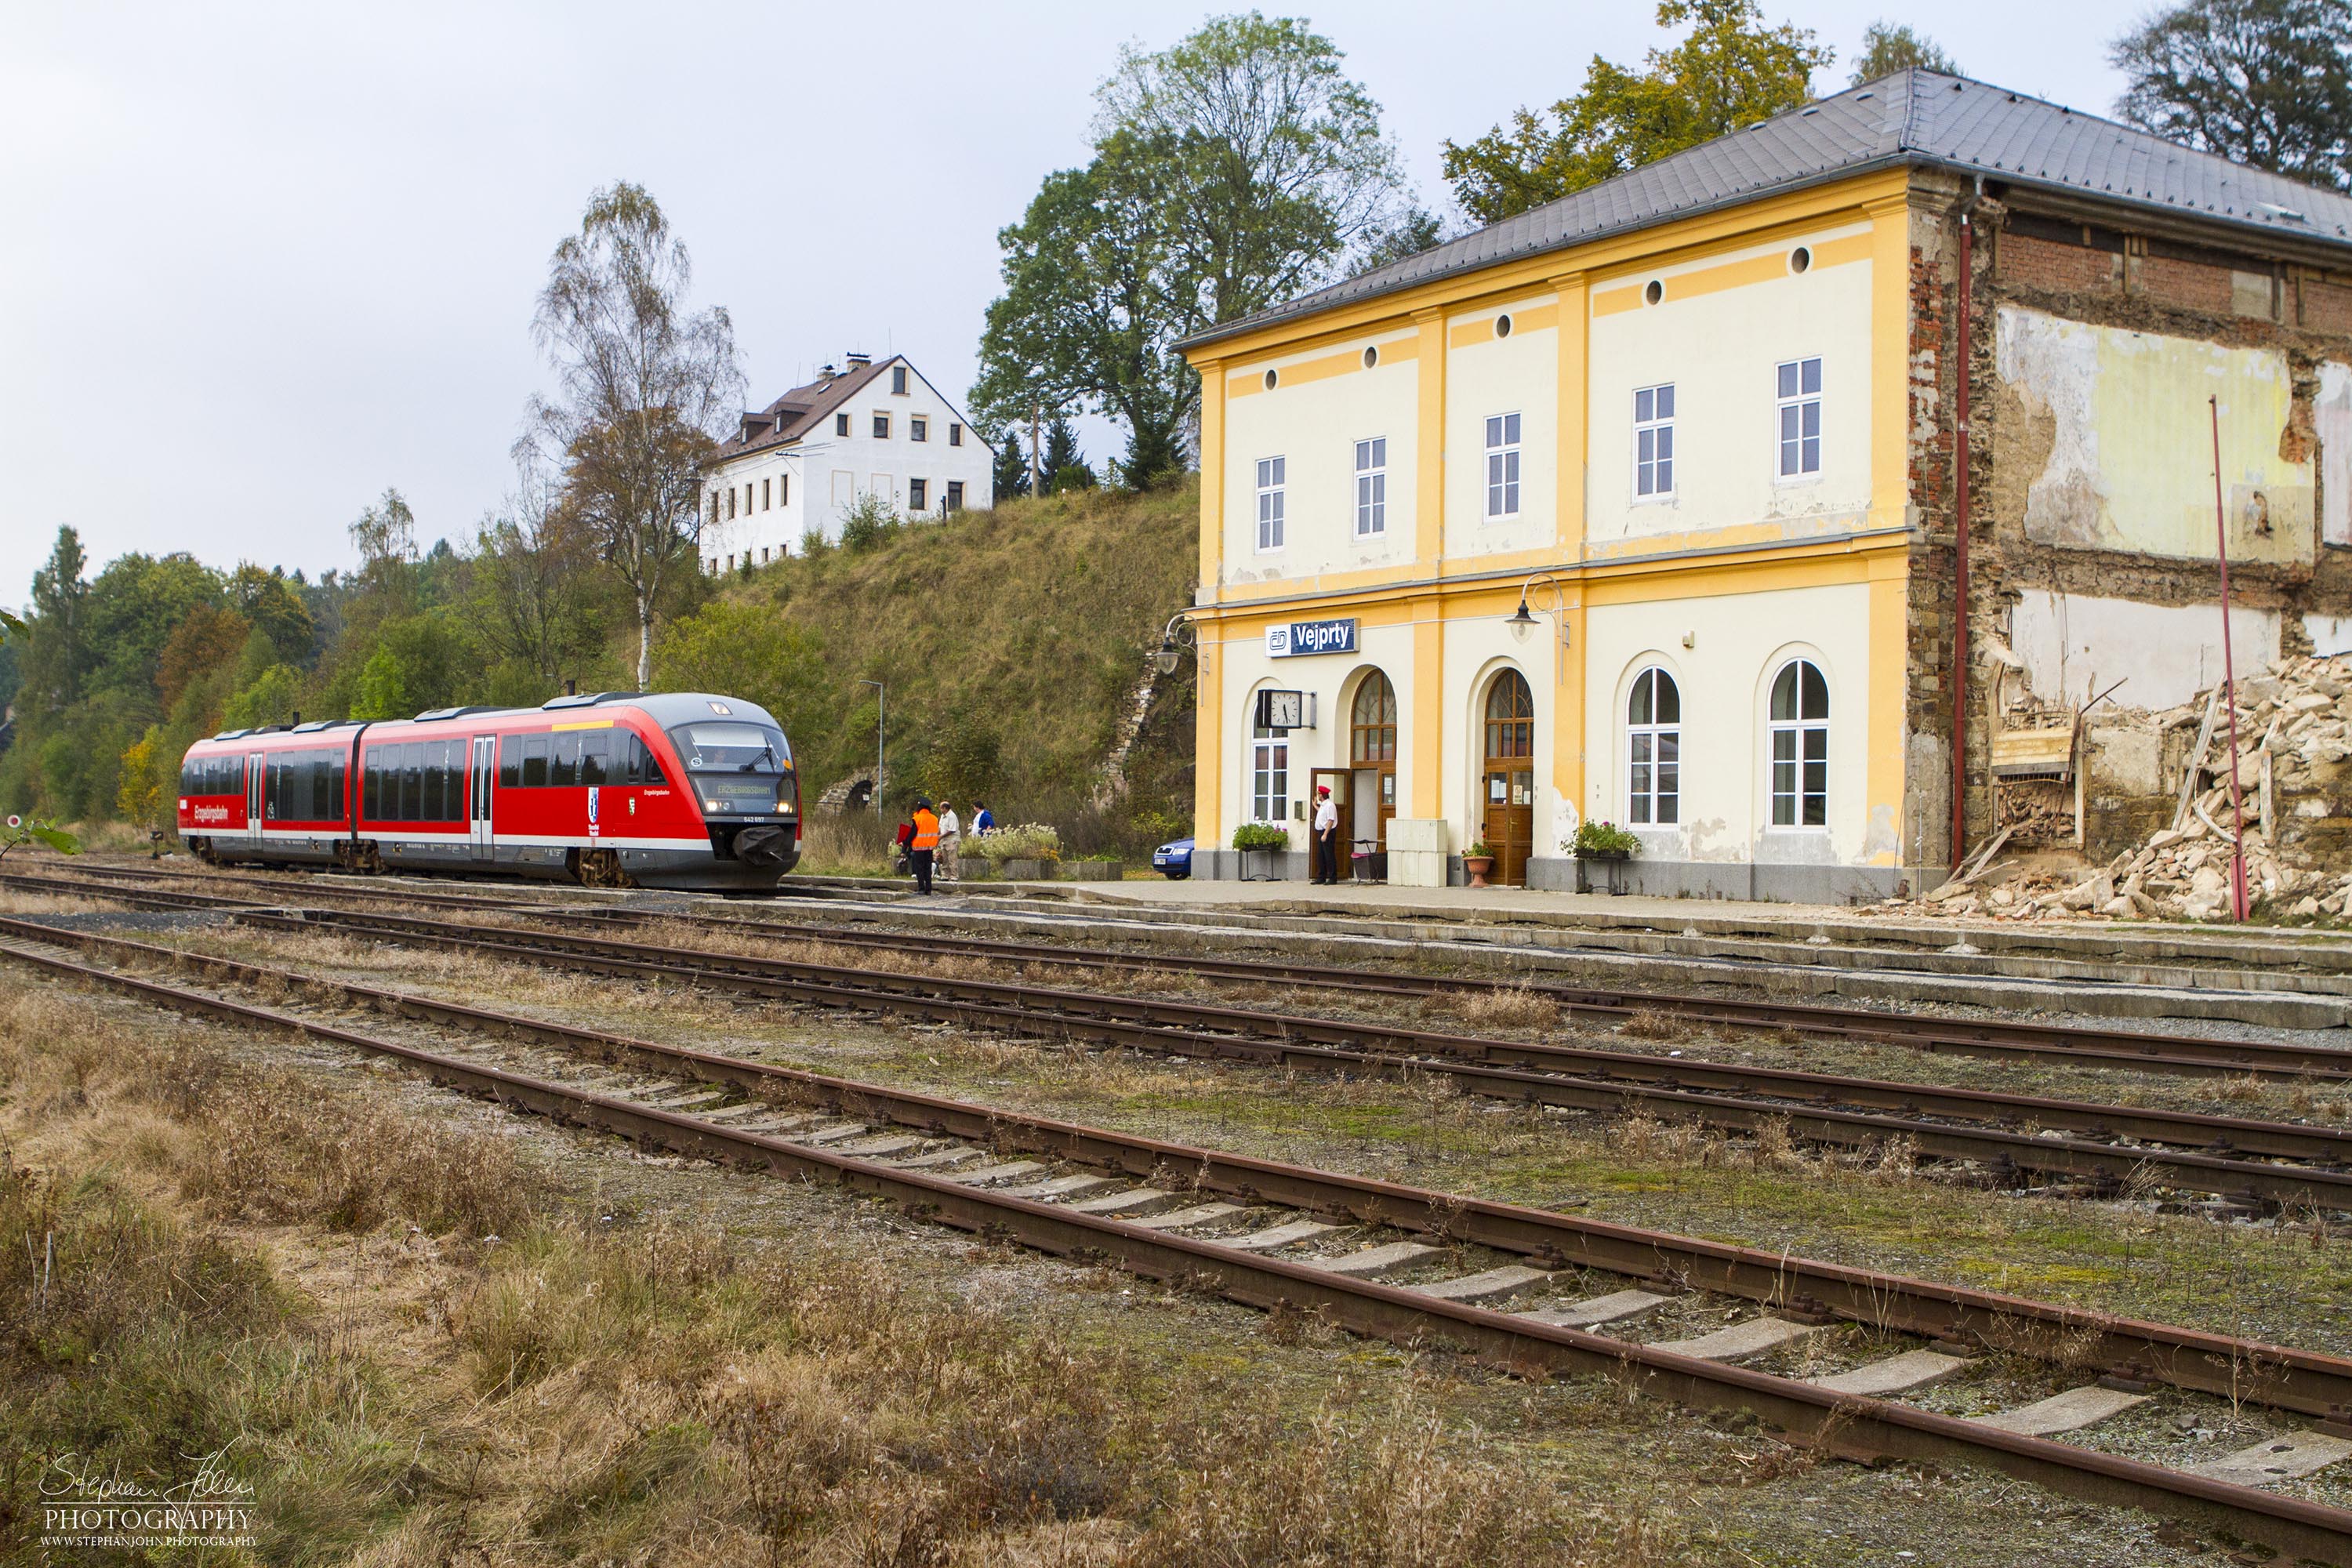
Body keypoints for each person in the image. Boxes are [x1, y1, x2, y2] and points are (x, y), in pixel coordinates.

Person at [909, 797, 940, 895]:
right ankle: (929, 889)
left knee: (920, 868)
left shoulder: (917, 818)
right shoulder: (934, 818)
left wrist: (906, 843)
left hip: (919, 846)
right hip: (930, 846)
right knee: (928, 868)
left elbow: (912, 833)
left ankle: (921, 888)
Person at [1312, 783, 1341, 884]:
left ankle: (1333, 878)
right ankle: (1321, 877)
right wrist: (1315, 806)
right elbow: (1321, 813)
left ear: (1322, 794)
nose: (1318, 795)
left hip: (1327, 832)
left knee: (1329, 855)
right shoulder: (1324, 806)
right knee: (1321, 855)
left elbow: (1331, 820)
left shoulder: (1330, 805)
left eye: (1318, 793)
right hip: (1321, 832)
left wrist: (1325, 834)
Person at [937, 800, 961, 883]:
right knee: (944, 858)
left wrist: (941, 836)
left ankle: (954, 875)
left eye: (941, 808)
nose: (940, 809)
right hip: (944, 840)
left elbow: (952, 830)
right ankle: (945, 875)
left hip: (952, 839)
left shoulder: (952, 816)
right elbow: (940, 827)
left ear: (945, 808)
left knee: (952, 858)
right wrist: (937, 835)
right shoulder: (942, 816)